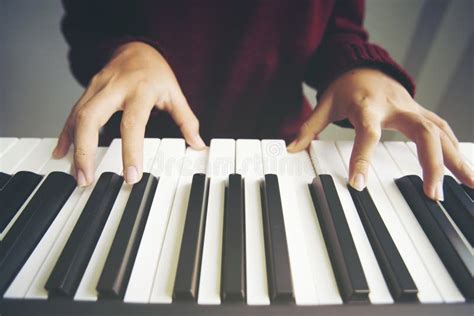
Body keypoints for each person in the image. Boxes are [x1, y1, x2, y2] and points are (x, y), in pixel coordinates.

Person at [53, 0, 473, 201]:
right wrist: (127, 49)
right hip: (137, 149)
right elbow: (89, 21)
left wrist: (359, 70)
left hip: (287, 152)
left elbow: (338, 27)